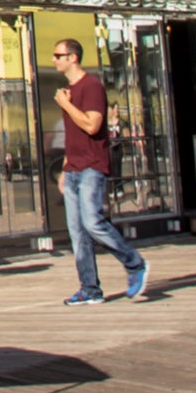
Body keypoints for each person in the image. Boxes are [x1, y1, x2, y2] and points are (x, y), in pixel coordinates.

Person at [49, 38, 149, 305]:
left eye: (58, 55)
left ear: (73, 57)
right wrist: (64, 168)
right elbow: (74, 136)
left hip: (92, 167)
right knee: (77, 233)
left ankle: (135, 263)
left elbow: (93, 126)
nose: (54, 60)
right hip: (73, 169)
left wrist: (66, 105)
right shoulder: (70, 90)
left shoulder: (91, 86)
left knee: (93, 222)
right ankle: (90, 289)